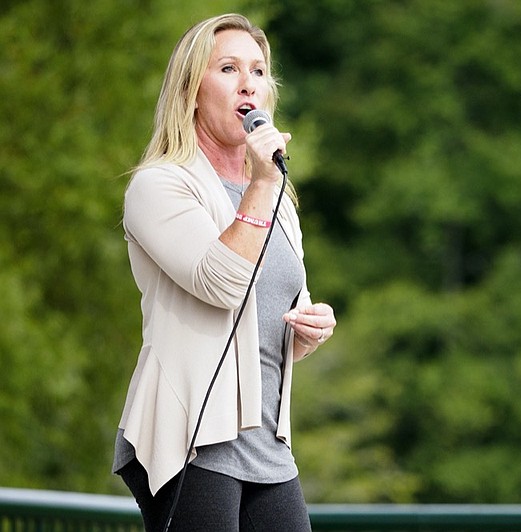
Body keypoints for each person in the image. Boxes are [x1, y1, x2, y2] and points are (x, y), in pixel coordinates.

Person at [112, 13, 336, 531]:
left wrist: (307, 328)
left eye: (258, 71)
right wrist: (260, 183)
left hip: (266, 444)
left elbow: (262, 320)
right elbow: (220, 283)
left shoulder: (278, 198)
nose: (248, 84)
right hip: (193, 438)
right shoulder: (160, 186)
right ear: (192, 91)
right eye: (229, 68)